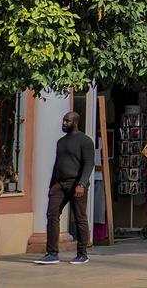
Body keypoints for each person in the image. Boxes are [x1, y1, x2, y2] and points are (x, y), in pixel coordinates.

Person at [37, 112, 95, 264]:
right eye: (63, 121)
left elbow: (89, 164)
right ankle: (52, 253)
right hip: (59, 184)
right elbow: (57, 164)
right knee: (52, 215)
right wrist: (51, 186)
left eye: (66, 121)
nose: (63, 123)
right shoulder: (61, 142)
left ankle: (82, 254)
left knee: (80, 218)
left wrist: (81, 184)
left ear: (75, 122)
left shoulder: (85, 141)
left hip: (76, 184)